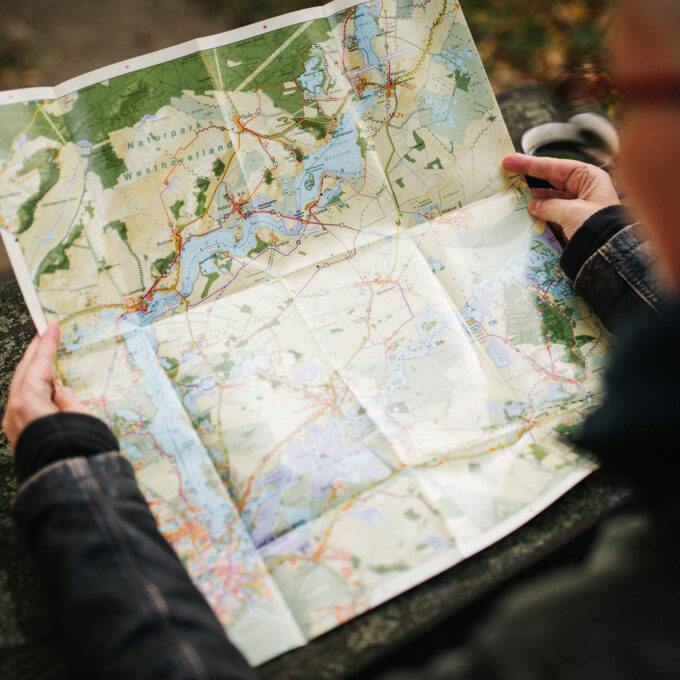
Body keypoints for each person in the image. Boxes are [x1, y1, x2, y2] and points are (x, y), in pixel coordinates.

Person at [3, 0, 680, 677]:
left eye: (643, 101)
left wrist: (76, 488)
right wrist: (619, 252)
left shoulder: (601, 637)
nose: (624, 139)